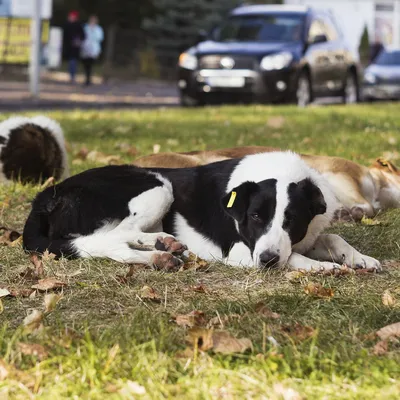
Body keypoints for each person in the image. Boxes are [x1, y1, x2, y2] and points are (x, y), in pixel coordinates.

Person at [81, 15, 104, 86]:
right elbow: (82, 36)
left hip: (94, 48)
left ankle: (88, 78)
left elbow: (100, 38)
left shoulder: (98, 29)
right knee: (85, 63)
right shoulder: (86, 27)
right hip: (86, 47)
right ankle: (87, 77)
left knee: (90, 64)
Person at [63, 11, 85, 83]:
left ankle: (72, 76)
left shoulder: (78, 25)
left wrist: (78, 41)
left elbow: (83, 36)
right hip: (69, 47)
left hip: (75, 47)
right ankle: (71, 75)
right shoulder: (67, 25)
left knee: (73, 61)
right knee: (71, 61)